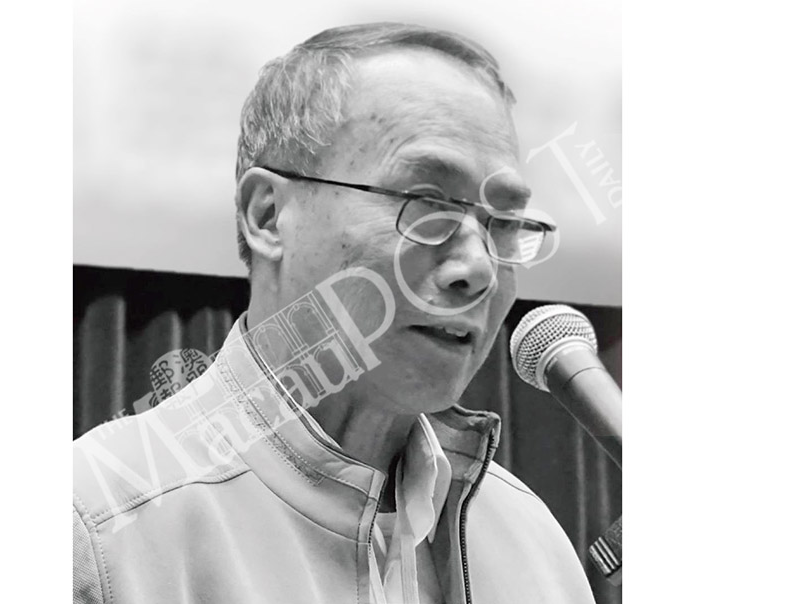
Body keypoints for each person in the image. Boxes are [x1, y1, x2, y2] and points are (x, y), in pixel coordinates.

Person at [73, 22, 596, 604]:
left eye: (503, 222)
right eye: (425, 203)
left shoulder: (534, 544)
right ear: (268, 216)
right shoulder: (97, 527)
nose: (478, 268)